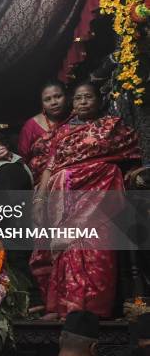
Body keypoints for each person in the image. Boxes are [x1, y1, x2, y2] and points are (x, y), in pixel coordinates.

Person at [29, 82, 140, 319]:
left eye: (88, 97)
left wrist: (133, 172)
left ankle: (91, 310)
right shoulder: (63, 132)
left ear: (98, 101)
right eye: (78, 98)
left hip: (99, 190)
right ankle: (61, 306)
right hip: (64, 197)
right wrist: (39, 199)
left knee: (94, 247)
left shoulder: (111, 126)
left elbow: (133, 153)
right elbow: (50, 166)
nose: (83, 102)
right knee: (64, 247)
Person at [18, 80, 70, 163]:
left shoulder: (75, 117)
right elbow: (23, 158)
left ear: (67, 97)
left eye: (58, 96)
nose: (53, 102)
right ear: (42, 104)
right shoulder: (31, 126)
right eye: (47, 99)